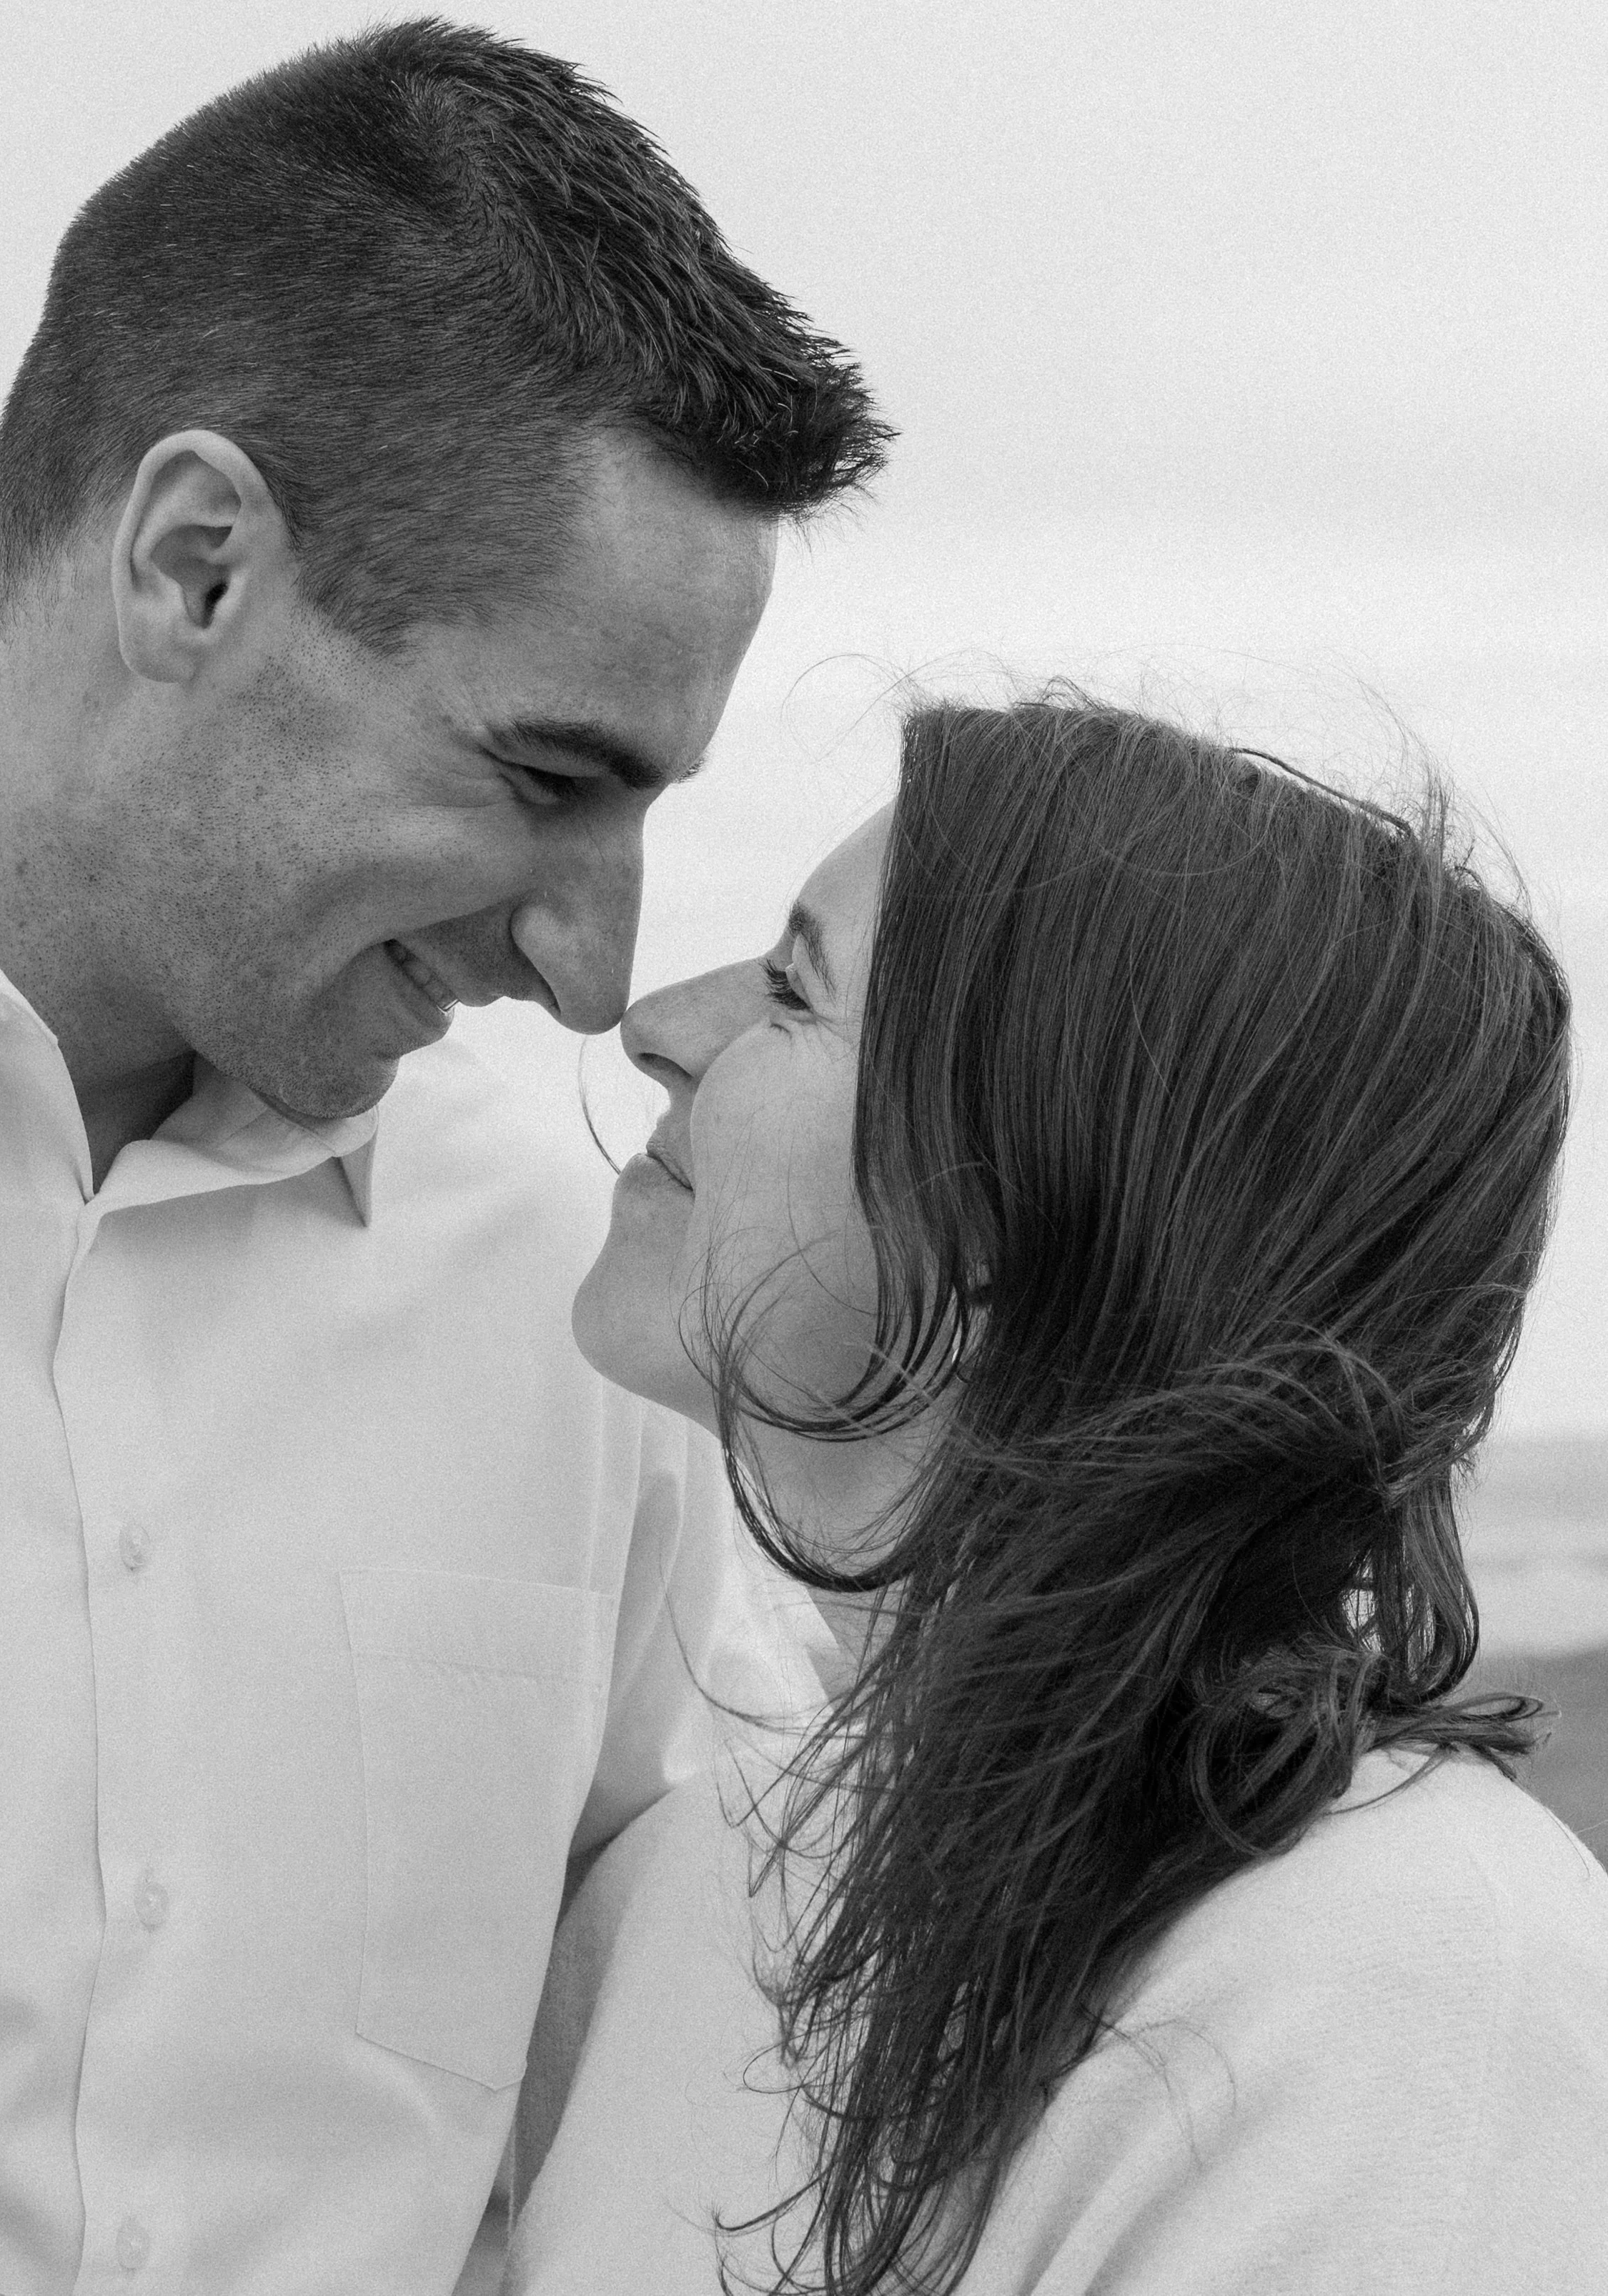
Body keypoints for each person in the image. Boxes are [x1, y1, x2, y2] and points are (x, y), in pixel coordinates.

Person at [0, 20, 889, 2294]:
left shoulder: (565, 1297)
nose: (597, 969)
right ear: (197, 564)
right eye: (541, 773)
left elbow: (729, 2082)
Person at [571, 691, 1608, 2296]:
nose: (653, 1019)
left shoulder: (1392, 1978)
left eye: (792, 989)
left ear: (1050, 1197)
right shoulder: (678, 1899)